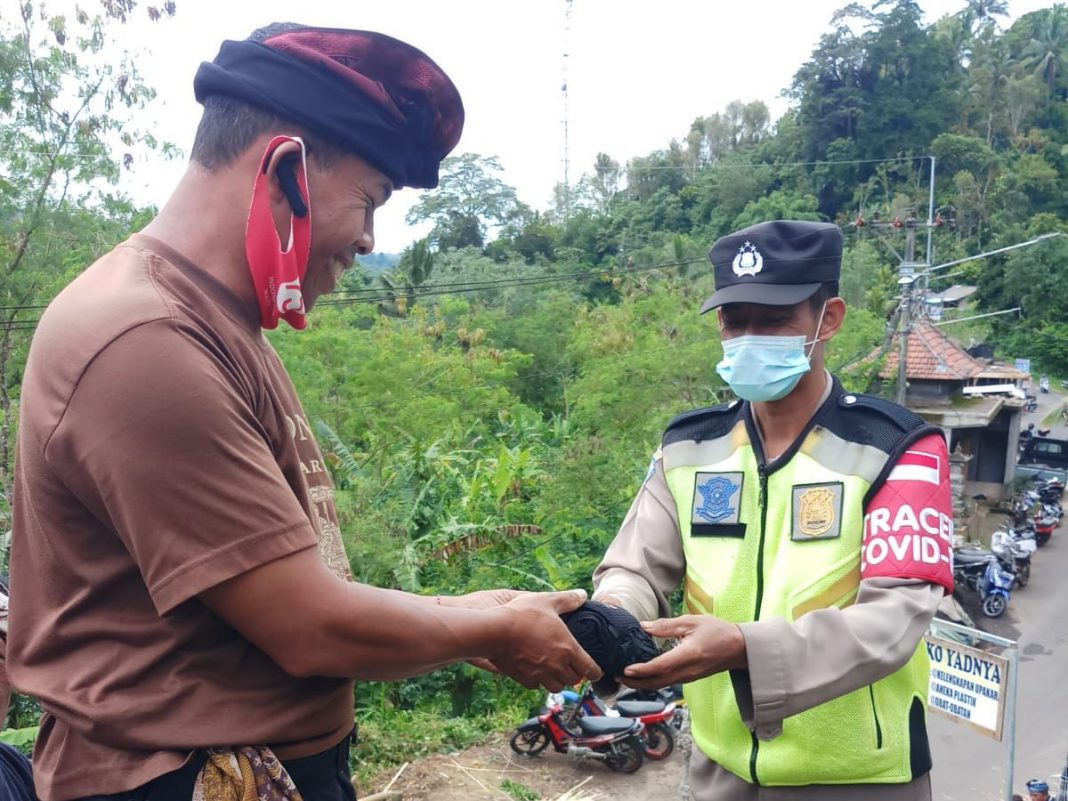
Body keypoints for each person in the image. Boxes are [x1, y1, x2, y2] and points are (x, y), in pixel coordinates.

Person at [8, 24, 600, 801]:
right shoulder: (144, 336)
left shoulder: (220, 325)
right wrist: (487, 628)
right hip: (180, 780)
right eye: (370, 202)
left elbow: (282, 584)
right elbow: (307, 625)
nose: (365, 240)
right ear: (285, 167)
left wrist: (465, 611)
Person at [592, 220, 954, 800]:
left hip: (857, 780)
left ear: (827, 319)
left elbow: (894, 623)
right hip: (719, 770)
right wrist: (609, 618)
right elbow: (635, 568)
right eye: (736, 322)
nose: (750, 336)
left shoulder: (900, 449)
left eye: (776, 319)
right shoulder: (687, 447)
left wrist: (744, 647)